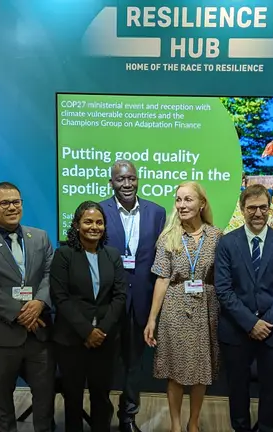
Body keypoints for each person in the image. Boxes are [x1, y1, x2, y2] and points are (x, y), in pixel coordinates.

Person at [0, 182, 55, 432]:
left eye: (16, 202)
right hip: (1, 336)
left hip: (39, 334)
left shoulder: (40, 237)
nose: (12, 207)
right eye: (5, 203)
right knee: (3, 400)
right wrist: (19, 313)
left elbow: (50, 274)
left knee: (44, 398)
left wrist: (39, 302)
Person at [215, 184, 273, 432]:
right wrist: (251, 323)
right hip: (236, 331)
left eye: (263, 207)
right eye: (252, 208)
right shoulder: (227, 243)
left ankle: (266, 428)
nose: (258, 213)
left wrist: (265, 323)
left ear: (270, 208)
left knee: (271, 388)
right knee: (237, 388)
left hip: (272, 332)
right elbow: (223, 289)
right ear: (242, 209)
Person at [144, 181, 223, 432]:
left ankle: (194, 423)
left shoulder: (216, 236)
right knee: (175, 370)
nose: (182, 205)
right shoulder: (169, 237)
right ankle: (176, 425)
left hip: (206, 308)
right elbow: (162, 278)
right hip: (175, 308)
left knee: (201, 369)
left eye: (188, 199)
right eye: (178, 199)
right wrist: (152, 319)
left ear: (202, 204)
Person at [99, 160, 166, 432]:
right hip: (107, 302)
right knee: (103, 365)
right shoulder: (99, 211)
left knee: (134, 365)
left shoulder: (157, 212)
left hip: (141, 300)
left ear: (138, 180)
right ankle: (101, 417)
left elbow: (161, 257)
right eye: (120, 179)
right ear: (111, 183)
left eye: (131, 179)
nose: (126, 184)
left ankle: (128, 417)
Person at [50, 201, 127, 432]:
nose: (94, 227)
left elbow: (120, 296)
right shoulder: (64, 254)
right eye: (88, 222)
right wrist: (86, 331)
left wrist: (100, 331)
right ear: (76, 225)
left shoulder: (112, 255)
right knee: (72, 397)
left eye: (99, 222)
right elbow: (60, 297)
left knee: (101, 397)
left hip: (105, 339)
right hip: (71, 340)